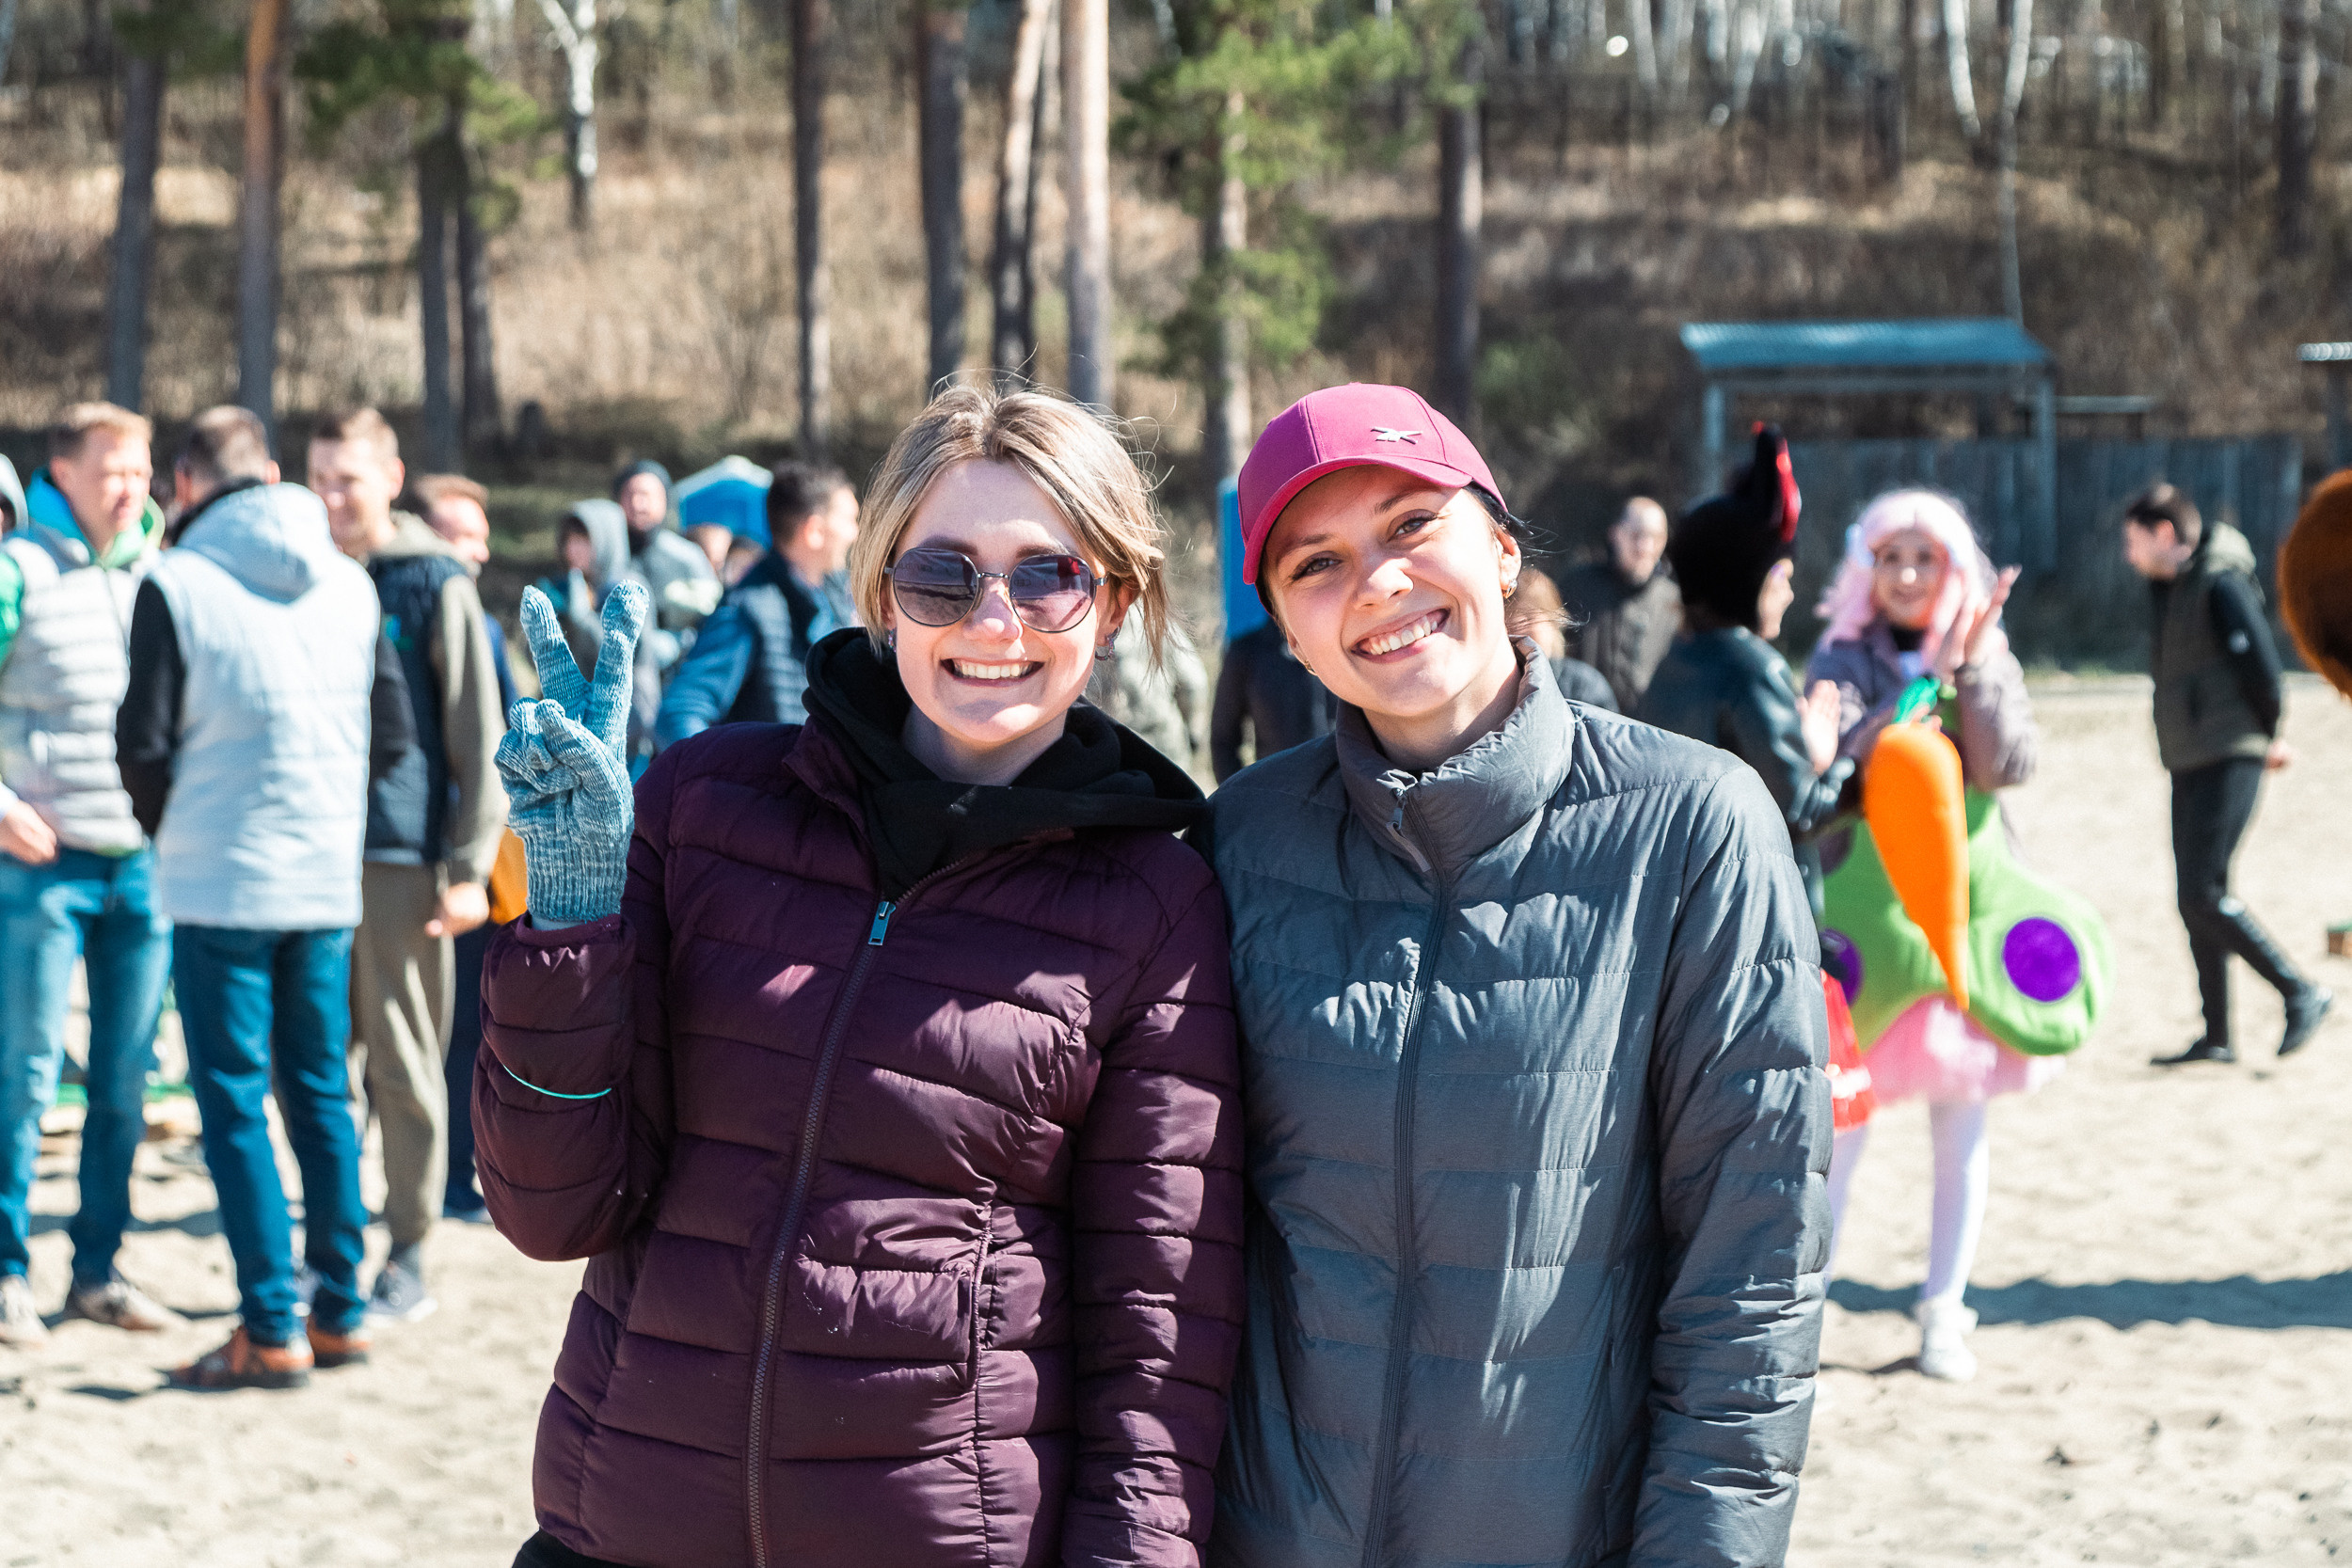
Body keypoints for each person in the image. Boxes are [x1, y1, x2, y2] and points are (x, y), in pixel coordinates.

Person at [475, 385, 1243, 1568]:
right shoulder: (705, 803)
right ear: (880, 591)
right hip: (627, 1526)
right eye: (943, 575)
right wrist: (570, 916)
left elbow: (1156, 1346)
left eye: (1049, 575)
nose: (994, 618)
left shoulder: (1154, 903)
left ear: (1115, 603)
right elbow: (549, 1209)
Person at [1205, 384, 1828, 1567]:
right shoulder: (1238, 842)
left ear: (1500, 548)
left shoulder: (1692, 825)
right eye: (1316, 562)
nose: (1377, 581)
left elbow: (1750, 1274)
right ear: (1283, 629)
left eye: (1409, 525)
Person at [117, 415, 389, 1389]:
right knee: (320, 1092)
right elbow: (394, 737)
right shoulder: (351, 584)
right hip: (322, 877)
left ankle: (271, 1322)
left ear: (185, 483)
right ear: (272, 474)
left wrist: (175, 831)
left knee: (234, 1102)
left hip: (219, 879)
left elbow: (141, 745)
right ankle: (340, 1307)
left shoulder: (175, 581)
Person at [1804, 488, 2044, 1383]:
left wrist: (1970, 669)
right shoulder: (1838, 657)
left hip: (1958, 918)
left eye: (1925, 558)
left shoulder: (1990, 652)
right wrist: (1920, 683)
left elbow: (2008, 764)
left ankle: (1945, 1311)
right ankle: (1807, 1314)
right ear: (1865, 568)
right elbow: (1833, 768)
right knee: (1840, 1131)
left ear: (1953, 566)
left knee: (1961, 1131)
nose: (1906, 575)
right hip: (1863, 924)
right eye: (1890, 558)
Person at [311, 407, 508, 1324]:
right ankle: (328, 1246)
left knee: (402, 1063)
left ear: (390, 479)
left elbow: (476, 734)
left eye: (347, 478)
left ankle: (409, 1250)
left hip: (401, 861)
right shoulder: (308, 574)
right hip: (309, 856)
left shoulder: (434, 582)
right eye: (318, 478)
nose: (331, 497)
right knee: (318, 1064)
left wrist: (467, 866)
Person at [0, 402, 174, 1347]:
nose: (131, 489)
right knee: (23, 1075)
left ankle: (98, 1270)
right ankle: (5, 1271)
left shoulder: (161, 575)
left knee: (122, 1081)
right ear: (61, 474)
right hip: (39, 868)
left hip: (142, 867)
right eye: (113, 471)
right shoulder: (16, 570)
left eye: (141, 471)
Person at [2122, 483, 2332, 1064]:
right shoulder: (2168, 590)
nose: (2128, 554)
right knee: (2192, 897)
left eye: (2133, 540)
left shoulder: (2220, 583)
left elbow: (2262, 666)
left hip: (2231, 751)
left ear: (2164, 534)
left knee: (2204, 892)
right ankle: (2217, 1036)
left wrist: (2269, 735)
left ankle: (2300, 991)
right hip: (2189, 756)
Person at [1640, 427, 1851, 903]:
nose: (1789, 594)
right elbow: (1800, 813)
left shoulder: (1676, 659)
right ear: (1747, 582)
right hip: (1759, 909)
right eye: (1782, 578)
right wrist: (1850, 764)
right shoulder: (1753, 669)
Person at [415, 471, 517, 1224]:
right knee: (449, 1033)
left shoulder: (481, 623)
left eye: (482, 535)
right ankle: (444, 1178)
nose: (479, 550)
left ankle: (450, 1175)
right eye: (463, 535)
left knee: (460, 1031)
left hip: (470, 853)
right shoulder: (422, 610)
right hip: (427, 855)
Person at [653, 460, 859, 745]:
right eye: (850, 520)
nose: (855, 533)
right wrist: (732, 773)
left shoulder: (833, 598)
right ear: (815, 531)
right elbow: (680, 713)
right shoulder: (750, 607)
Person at [538, 499, 664, 763]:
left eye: (583, 541)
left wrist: (583, 618)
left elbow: (617, 658)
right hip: (580, 726)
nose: (573, 550)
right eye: (569, 540)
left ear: (606, 539)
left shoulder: (628, 587)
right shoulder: (575, 586)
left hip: (628, 725)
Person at [1561, 494, 1680, 710]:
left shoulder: (1673, 603)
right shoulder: (1578, 587)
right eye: (1636, 535)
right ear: (1615, 534)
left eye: (1655, 537)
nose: (1645, 547)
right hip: (1585, 719)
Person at [611, 458, 722, 646]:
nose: (637, 504)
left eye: (645, 495)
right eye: (629, 495)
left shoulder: (687, 557)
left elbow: (713, 614)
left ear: (664, 500)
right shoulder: (608, 554)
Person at [1207, 619, 1334, 782]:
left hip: (1337, 788)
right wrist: (1241, 794)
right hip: (1275, 786)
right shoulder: (1247, 652)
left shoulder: (1335, 647)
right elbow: (1223, 740)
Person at [1086, 614, 1210, 774]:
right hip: (1165, 747)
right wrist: (1194, 731)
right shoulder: (1161, 626)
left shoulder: (1089, 631)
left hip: (1112, 750)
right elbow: (1194, 684)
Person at [1502, 563, 1619, 710]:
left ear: (1554, 624)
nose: (1520, 630)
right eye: (1510, 620)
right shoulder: (1496, 691)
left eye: (1528, 618)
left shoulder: (1584, 687)